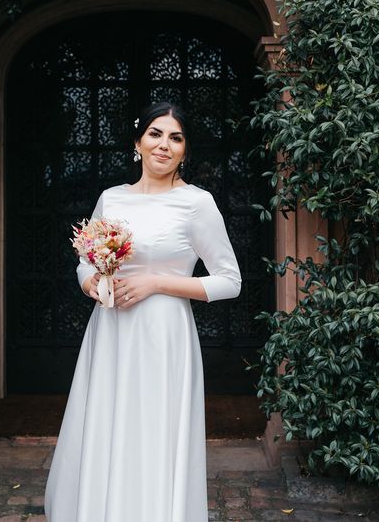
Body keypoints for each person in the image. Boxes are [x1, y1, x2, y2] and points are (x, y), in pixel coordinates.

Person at [44, 101, 242, 522]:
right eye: (155, 134)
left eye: (175, 137)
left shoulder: (197, 203)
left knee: (155, 431)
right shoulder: (111, 199)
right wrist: (91, 283)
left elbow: (230, 280)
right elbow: (86, 260)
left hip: (163, 335)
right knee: (109, 425)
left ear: (185, 150)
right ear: (138, 142)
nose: (164, 145)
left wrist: (155, 282)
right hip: (112, 330)